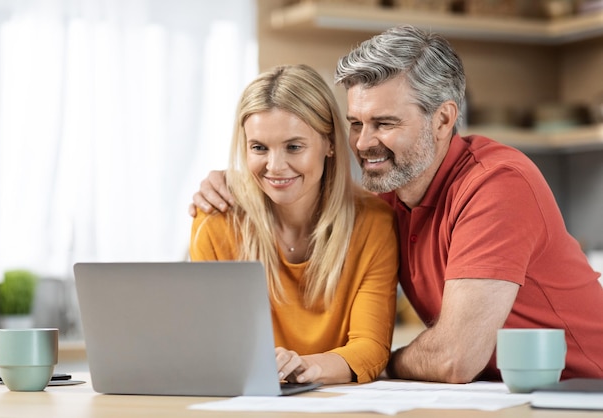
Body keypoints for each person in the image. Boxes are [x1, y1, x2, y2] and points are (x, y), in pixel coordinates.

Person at [189, 25, 603, 384]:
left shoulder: (496, 185)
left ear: (442, 120)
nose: (364, 143)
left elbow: (452, 357)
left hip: (582, 389)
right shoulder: (388, 195)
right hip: (500, 391)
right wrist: (239, 182)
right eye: (356, 123)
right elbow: (313, 188)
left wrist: (372, 361)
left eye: (385, 123)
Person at [189, 64, 398, 385]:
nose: (275, 167)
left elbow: (371, 348)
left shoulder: (373, 223)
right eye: (259, 147)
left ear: (329, 143)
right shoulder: (217, 220)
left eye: (293, 147)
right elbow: (207, 344)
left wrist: (304, 367)